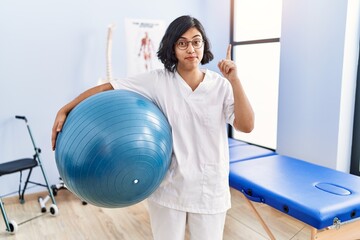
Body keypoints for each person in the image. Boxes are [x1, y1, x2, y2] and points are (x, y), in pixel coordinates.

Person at [52, 15, 254, 240]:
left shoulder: (221, 85)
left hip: (209, 189)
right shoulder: (158, 81)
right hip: (169, 188)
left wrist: (235, 80)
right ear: (172, 47)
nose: (191, 49)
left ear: (204, 45)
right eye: (182, 43)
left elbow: (246, 126)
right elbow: (108, 87)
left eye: (196, 42)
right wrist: (65, 108)